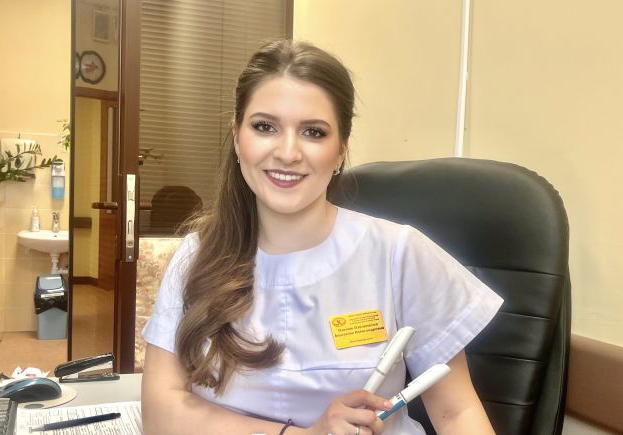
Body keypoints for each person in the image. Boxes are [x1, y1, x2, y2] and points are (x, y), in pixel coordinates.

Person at [141, 39, 503, 435]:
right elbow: (162, 412)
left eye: (313, 132)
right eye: (265, 127)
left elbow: (457, 413)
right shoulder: (197, 256)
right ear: (237, 137)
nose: (288, 152)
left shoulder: (398, 254)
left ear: (340, 150)